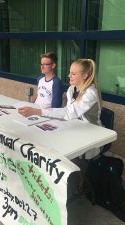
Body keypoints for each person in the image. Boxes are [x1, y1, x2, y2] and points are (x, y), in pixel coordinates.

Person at [19, 58, 102, 190]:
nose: (69, 76)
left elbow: (69, 112)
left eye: (73, 74)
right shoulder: (71, 89)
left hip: (91, 132)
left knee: (70, 150)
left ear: (85, 76)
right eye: (70, 72)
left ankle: (80, 181)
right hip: (75, 128)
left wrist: (37, 111)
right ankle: (70, 176)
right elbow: (68, 115)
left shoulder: (91, 93)